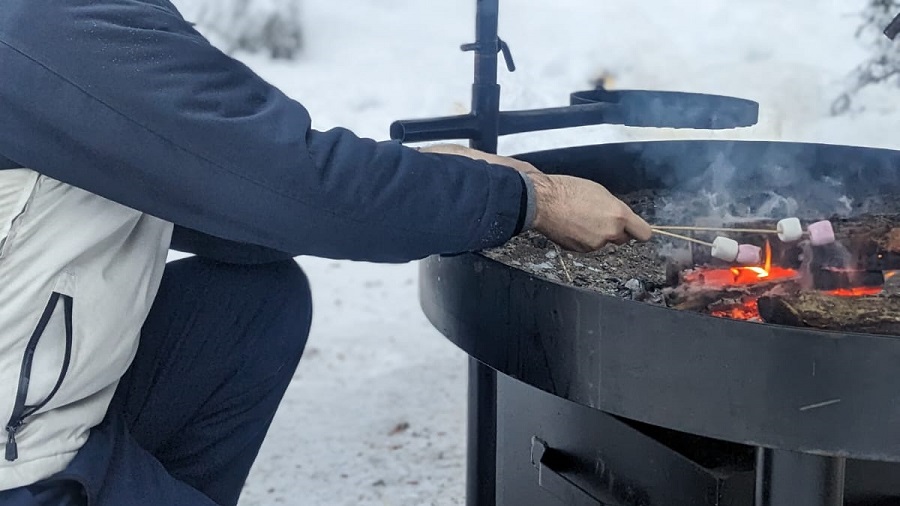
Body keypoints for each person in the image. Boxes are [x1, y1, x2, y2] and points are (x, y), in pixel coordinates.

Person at [0, 1, 652, 504]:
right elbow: (288, 183)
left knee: (250, 307)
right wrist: (536, 200)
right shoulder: (50, 24)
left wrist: (435, 177)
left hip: (56, 401)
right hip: (21, 460)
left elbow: (237, 188)